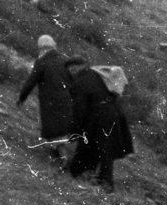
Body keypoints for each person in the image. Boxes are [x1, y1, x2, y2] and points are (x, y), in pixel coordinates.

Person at [65, 56, 134, 190]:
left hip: (100, 116)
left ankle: (103, 182)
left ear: (74, 68)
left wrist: (75, 129)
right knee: (103, 149)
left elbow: (79, 108)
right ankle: (89, 174)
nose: (71, 72)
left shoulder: (81, 82)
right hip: (113, 113)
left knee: (99, 148)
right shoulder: (95, 74)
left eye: (71, 70)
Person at [17, 35, 74, 163]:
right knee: (60, 128)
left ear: (41, 48)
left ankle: (62, 158)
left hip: (50, 101)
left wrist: (22, 97)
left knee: (54, 128)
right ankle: (59, 154)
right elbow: (71, 80)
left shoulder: (41, 61)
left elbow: (30, 82)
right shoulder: (64, 60)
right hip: (65, 99)